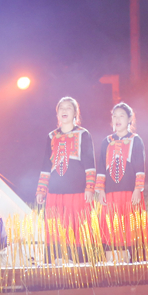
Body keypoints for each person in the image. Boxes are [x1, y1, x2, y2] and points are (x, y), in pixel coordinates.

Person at [36, 96, 96, 246]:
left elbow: (90, 163)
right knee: (56, 233)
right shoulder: (51, 136)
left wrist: (90, 188)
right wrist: (41, 190)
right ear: (57, 113)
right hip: (55, 193)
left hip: (77, 192)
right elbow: (46, 165)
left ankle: (80, 260)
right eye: (61, 108)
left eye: (68, 107)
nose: (64, 110)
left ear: (75, 113)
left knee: (79, 231)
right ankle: (57, 260)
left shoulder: (83, 134)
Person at [95, 102, 146, 257]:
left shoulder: (136, 140)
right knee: (112, 231)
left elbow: (140, 167)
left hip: (130, 193)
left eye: (121, 116)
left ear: (129, 119)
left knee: (131, 231)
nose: (117, 119)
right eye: (114, 116)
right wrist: (100, 190)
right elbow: (101, 167)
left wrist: (137, 189)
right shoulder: (106, 141)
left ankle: (134, 264)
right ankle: (113, 265)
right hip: (110, 194)